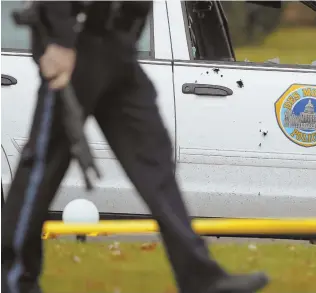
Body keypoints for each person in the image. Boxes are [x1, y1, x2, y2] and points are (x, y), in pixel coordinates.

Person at [1, 2, 269, 293]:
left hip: (119, 46)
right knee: (43, 164)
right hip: (78, 42)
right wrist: (60, 40)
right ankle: (15, 280)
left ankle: (201, 278)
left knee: (155, 162)